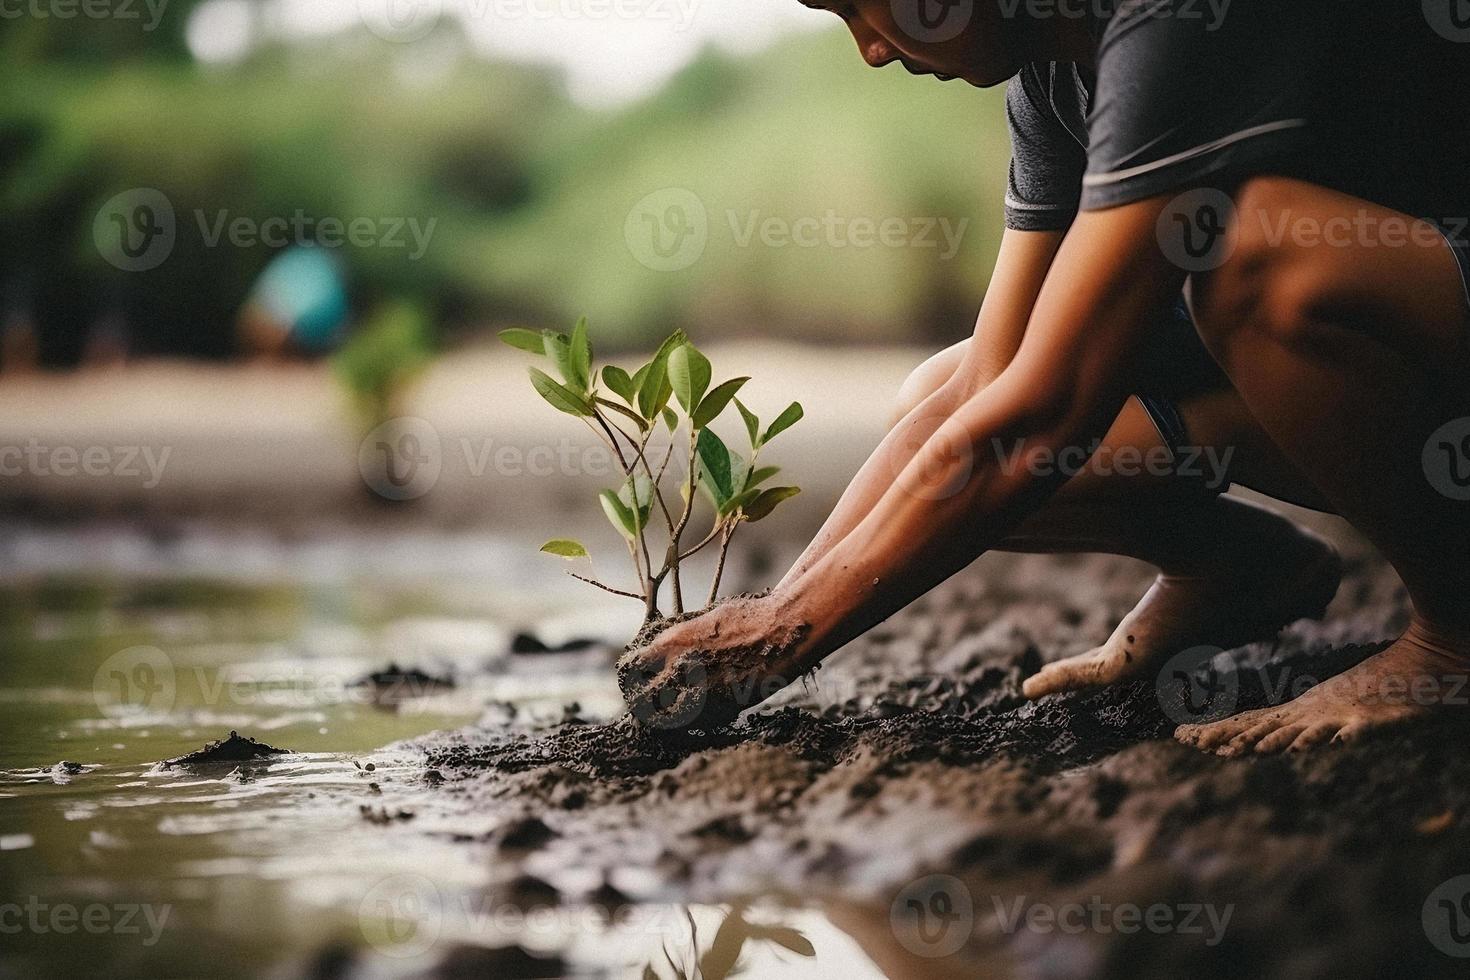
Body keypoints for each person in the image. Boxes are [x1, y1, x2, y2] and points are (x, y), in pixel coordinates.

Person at [621, 0, 1470, 754]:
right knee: (933, 400)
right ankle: (1242, 571)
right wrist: (778, 604)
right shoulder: (1051, 82)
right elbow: (989, 388)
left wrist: (782, 635)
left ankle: (1452, 643)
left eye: (857, 8)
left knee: (1249, 255)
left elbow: (1046, 414)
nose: (871, 51)